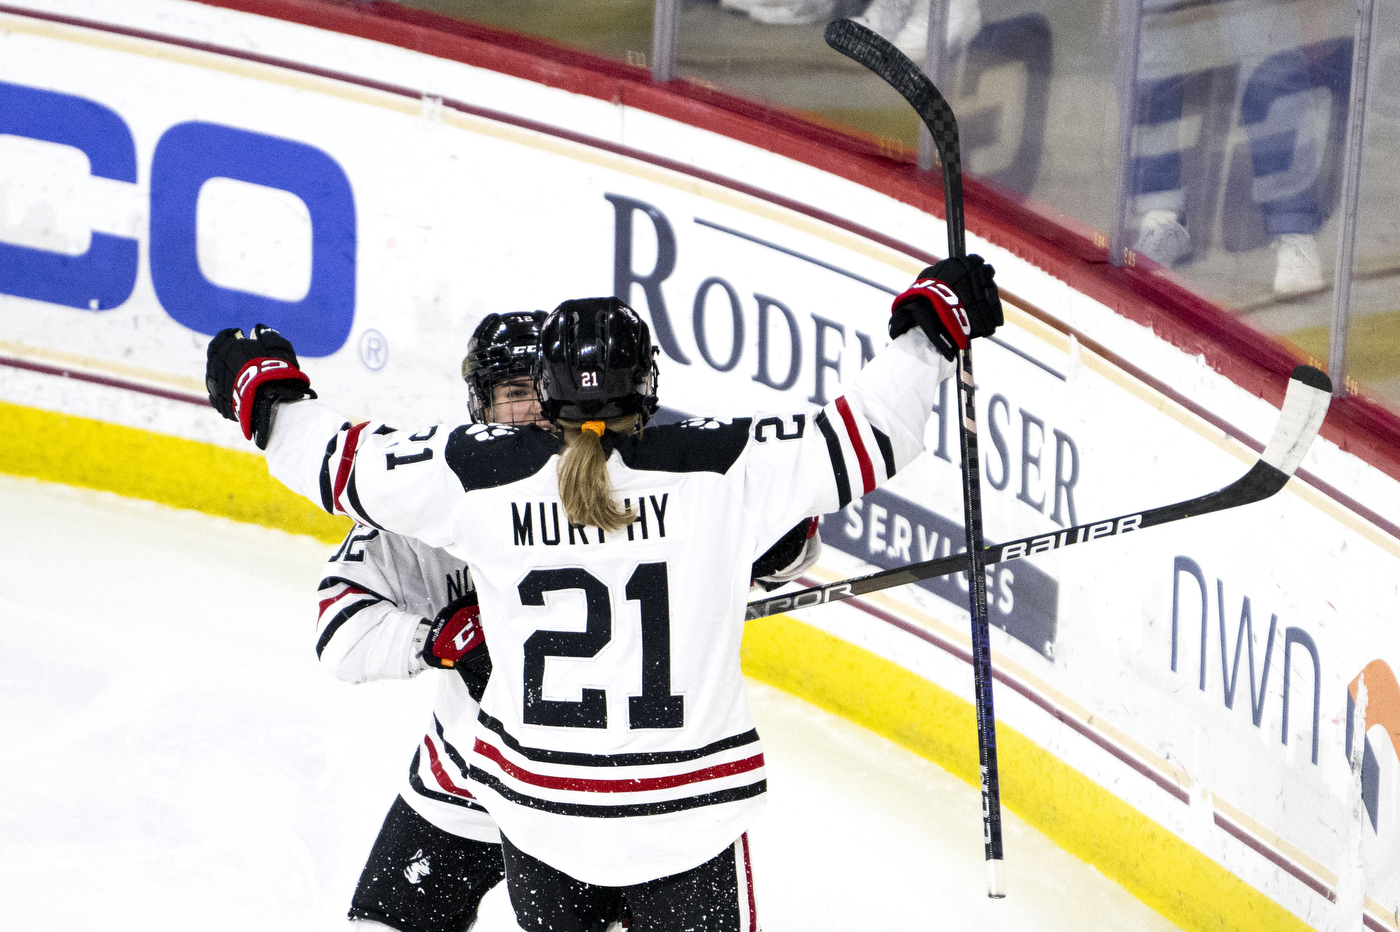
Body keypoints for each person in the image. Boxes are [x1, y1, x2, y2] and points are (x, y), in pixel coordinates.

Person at [204, 255, 1002, 931]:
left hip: (543, 829)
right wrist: (929, 333)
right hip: (688, 823)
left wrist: (265, 392)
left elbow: (332, 459)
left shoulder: (473, 476)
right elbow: (869, 436)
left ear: (546, 394)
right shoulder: (719, 466)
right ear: (648, 384)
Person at [306, 311, 822, 932]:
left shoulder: (636, 475)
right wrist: (435, 641)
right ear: (482, 402)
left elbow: (785, 549)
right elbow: (341, 627)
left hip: (605, 802)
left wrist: (773, 540)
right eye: (514, 393)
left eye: (539, 389)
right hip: (470, 777)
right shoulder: (443, 487)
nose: (535, 411)